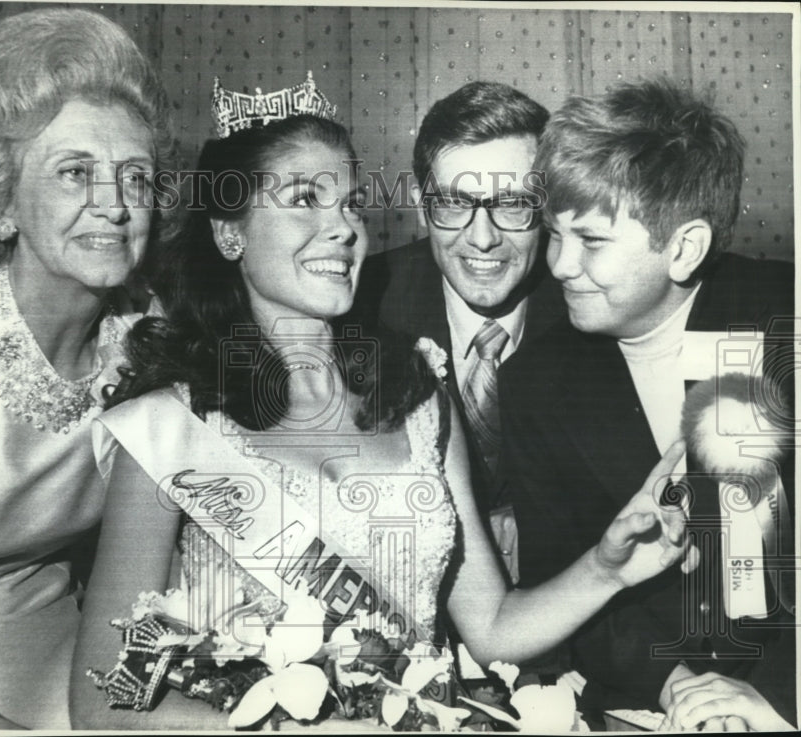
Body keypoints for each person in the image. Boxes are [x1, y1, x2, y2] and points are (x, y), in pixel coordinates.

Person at [70, 76, 695, 730]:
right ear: (230, 234)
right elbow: (103, 699)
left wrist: (608, 568)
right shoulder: (168, 426)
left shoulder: (416, 393)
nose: (341, 228)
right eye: (306, 199)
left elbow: (489, 626)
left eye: (349, 203)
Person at [497, 78, 795, 730]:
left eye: (592, 241)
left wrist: (781, 693)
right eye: (553, 234)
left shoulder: (787, 321)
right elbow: (563, 584)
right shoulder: (533, 384)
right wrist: (677, 688)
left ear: (684, 248)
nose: (560, 265)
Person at [0, 8, 175, 729]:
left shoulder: (154, 341)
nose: (114, 205)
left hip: (77, 674)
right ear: (3, 201)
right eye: (75, 172)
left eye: (135, 176)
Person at [350, 81, 565, 583]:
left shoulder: (592, 308)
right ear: (424, 206)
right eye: (453, 205)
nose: (483, 237)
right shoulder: (360, 311)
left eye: (513, 204)